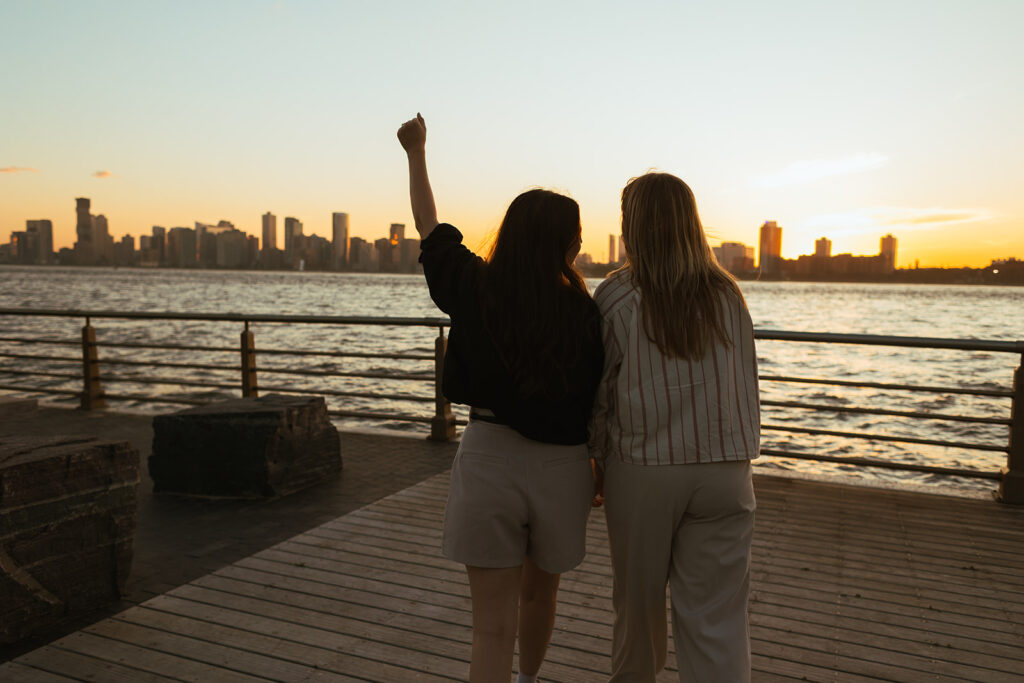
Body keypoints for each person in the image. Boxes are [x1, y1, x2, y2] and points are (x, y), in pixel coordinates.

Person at [397, 113, 604, 683]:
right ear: (568, 242)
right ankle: (530, 681)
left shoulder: (472, 285)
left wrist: (416, 151)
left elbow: (428, 225)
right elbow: (600, 399)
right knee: (541, 599)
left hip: (488, 455)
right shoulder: (587, 314)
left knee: (490, 626)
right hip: (565, 465)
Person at [590, 172, 760, 682]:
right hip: (726, 469)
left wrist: (595, 460)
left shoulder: (616, 297)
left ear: (633, 226)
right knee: (718, 623)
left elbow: (599, 395)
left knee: (638, 615)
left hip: (645, 470)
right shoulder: (728, 295)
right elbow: (745, 382)